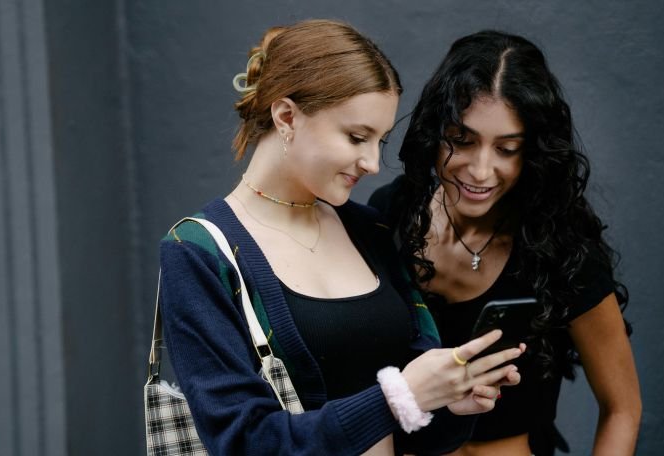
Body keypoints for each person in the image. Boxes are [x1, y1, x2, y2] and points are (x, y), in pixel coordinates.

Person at [159, 20, 525, 456]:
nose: (372, 163)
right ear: (287, 116)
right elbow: (243, 440)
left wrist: (449, 402)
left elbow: (413, 428)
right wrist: (398, 397)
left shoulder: (369, 230)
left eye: (380, 141)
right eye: (356, 137)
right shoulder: (199, 253)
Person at [369, 30, 641, 456]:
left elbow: (622, 408)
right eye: (462, 140)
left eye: (507, 148)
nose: (481, 170)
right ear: (435, 133)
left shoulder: (561, 248)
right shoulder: (392, 213)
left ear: (531, 152)